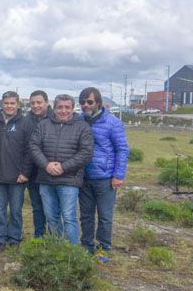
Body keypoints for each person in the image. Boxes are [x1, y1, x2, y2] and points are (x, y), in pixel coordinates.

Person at [29, 94, 93, 245]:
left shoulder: (82, 126)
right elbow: (34, 146)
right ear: (54, 108)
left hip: (69, 180)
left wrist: (63, 167)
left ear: (72, 108)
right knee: (51, 217)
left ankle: (71, 252)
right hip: (46, 179)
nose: (63, 111)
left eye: (67, 107)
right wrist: (46, 165)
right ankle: (56, 249)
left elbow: (86, 153)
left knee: (69, 217)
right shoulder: (44, 125)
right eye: (60, 107)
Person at [79, 87, 129, 257]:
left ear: (98, 102)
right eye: (83, 102)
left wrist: (118, 175)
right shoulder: (79, 120)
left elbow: (122, 149)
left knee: (105, 216)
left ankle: (103, 249)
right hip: (83, 176)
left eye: (90, 102)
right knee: (85, 215)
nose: (86, 105)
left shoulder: (112, 122)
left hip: (105, 178)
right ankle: (86, 246)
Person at [0, 91, 33, 251]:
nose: (9, 106)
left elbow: (30, 150)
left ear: (18, 105)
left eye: (12, 103)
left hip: (18, 176)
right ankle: (1, 239)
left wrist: (25, 172)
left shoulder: (25, 123)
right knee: (0, 209)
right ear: (2, 104)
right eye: (6, 103)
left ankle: (14, 238)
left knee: (15, 210)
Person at [25, 90, 52, 238]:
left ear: (46, 103)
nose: (36, 106)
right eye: (33, 103)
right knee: (37, 207)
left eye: (39, 102)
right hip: (33, 172)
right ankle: (39, 237)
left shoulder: (56, 118)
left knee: (52, 208)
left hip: (51, 171)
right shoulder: (27, 120)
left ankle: (55, 239)